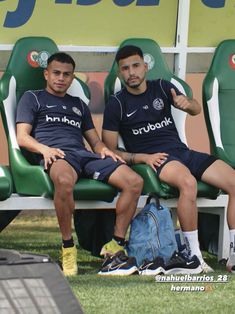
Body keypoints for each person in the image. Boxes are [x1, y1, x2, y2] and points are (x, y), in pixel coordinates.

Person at [102, 45, 235, 274]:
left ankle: (233, 255)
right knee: (188, 183)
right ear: (119, 72)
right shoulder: (117, 103)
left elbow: (194, 109)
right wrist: (141, 157)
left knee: (233, 182)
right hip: (158, 159)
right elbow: (109, 150)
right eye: (125, 68)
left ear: (145, 67)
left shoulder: (163, 87)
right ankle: (193, 256)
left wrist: (188, 104)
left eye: (135, 66)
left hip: (182, 151)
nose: (131, 72)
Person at [16, 52, 144, 277]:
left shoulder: (78, 105)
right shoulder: (32, 98)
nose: (61, 78)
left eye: (66, 74)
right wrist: (44, 150)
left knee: (134, 181)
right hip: (57, 154)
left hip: (85, 156)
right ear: (46, 74)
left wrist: (104, 151)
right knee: (64, 180)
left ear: (72, 77)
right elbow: (22, 137)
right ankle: (68, 246)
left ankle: (115, 245)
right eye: (56, 73)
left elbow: (94, 141)